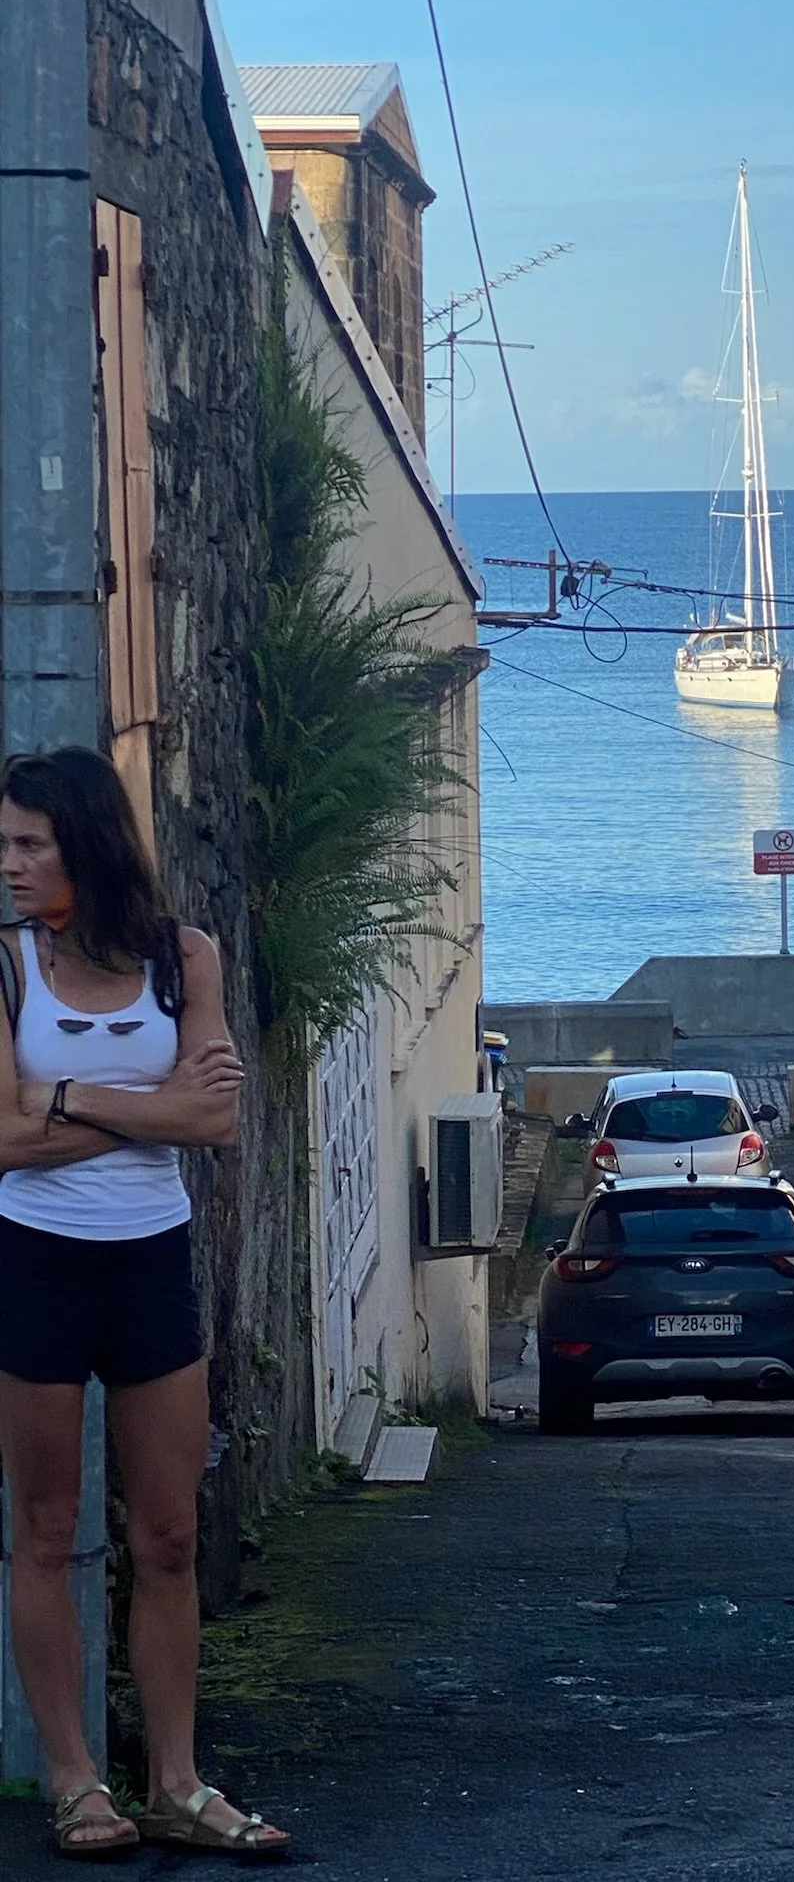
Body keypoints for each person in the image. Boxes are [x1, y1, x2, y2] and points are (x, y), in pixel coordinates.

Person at [0, 748, 289, 1860]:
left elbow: (215, 1121)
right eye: (6, 844)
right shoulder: (11, 966)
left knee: (165, 1535)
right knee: (41, 1529)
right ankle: (75, 1779)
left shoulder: (186, 959)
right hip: (35, 1260)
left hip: (150, 1258)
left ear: (89, 839)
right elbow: (1, 1139)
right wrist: (149, 1102)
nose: (12, 864)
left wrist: (62, 1092)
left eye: (31, 842)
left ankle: (175, 1781)